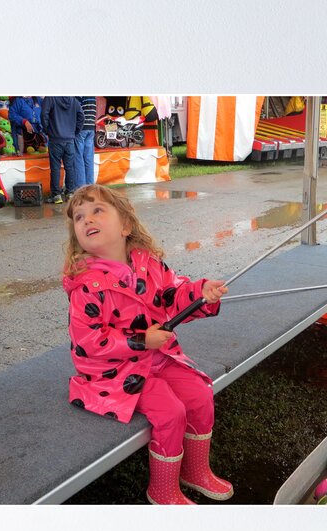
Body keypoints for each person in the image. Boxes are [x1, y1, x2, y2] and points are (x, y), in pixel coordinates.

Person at [63, 184, 233, 505]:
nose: (87, 220)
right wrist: (142, 340)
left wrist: (200, 293)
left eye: (98, 210)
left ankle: (195, 471)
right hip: (114, 372)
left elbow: (173, 293)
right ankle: (163, 491)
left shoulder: (148, 264)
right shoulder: (87, 285)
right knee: (170, 412)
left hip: (157, 356)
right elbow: (89, 342)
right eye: (79, 217)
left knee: (199, 394)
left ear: (125, 226)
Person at [41, 96, 84, 204]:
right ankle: (70, 194)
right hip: (70, 139)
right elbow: (81, 117)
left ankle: (56, 195)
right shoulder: (74, 100)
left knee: (55, 168)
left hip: (55, 139)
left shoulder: (51, 98)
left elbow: (43, 115)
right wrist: (75, 132)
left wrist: (48, 130)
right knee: (69, 167)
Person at [74, 96, 97, 187]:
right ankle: (90, 186)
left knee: (79, 158)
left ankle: (81, 187)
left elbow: (77, 112)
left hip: (81, 129)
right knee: (89, 158)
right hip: (91, 129)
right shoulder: (93, 96)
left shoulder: (79, 95)